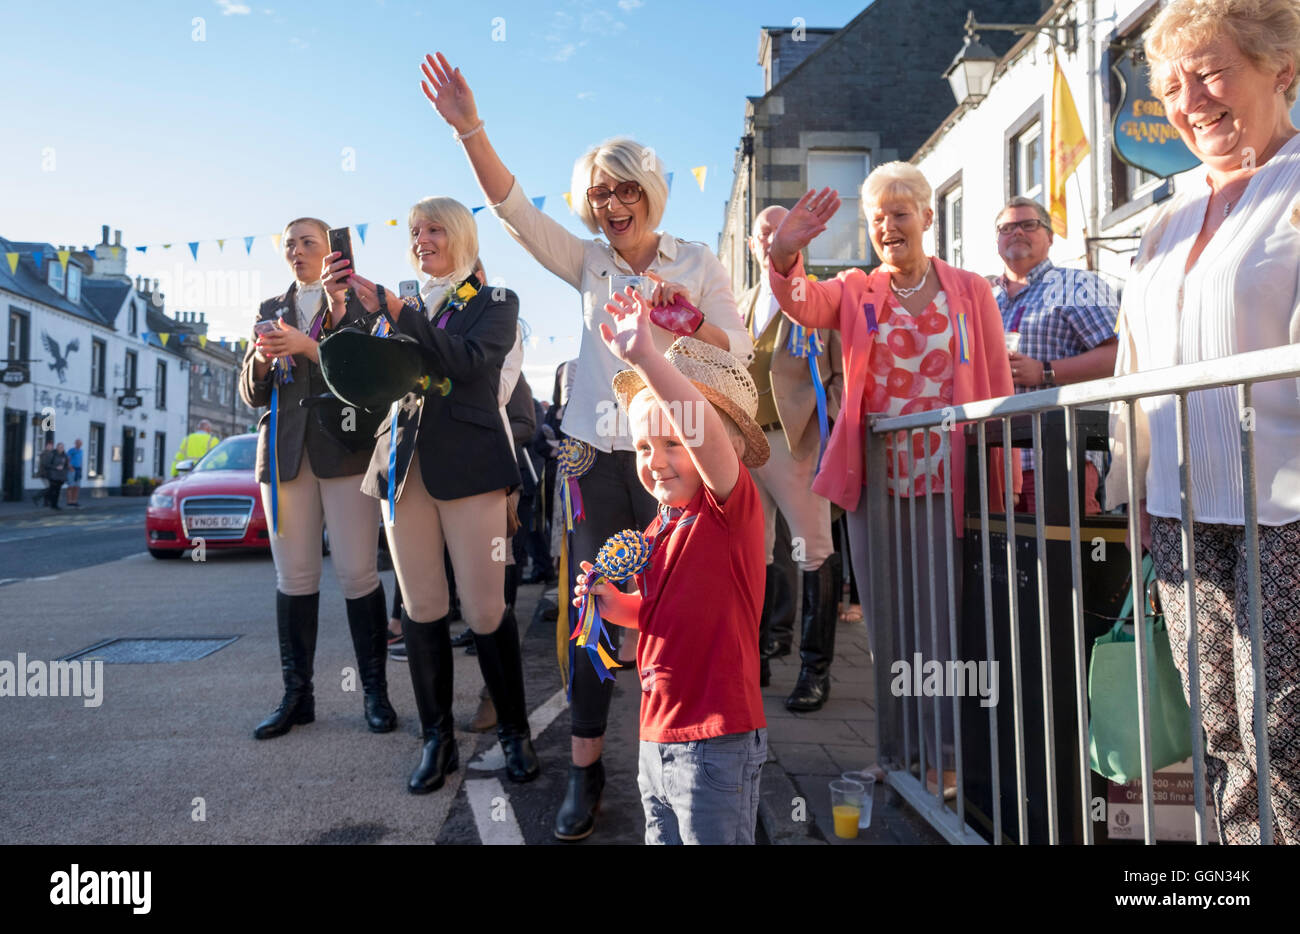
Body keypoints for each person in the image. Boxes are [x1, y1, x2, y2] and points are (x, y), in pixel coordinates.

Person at [420, 50, 754, 840]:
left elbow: (737, 355)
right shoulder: (589, 262)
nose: (611, 204)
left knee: (677, 615)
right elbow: (511, 211)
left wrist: (681, 318)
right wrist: (471, 128)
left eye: (625, 189)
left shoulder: (697, 262)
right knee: (596, 612)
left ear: (650, 194)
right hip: (591, 456)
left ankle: (688, 760)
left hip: (674, 459)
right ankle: (586, 769)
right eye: (599, 193)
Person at [1107, 0, 1300, 845]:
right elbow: (1134, 369)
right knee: (1219, 743)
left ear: (1281, 69)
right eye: (1174, 85)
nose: (1191, 101)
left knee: (1285, 748)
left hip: (1287, 516)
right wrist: (1135, 489)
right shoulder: (1168, 216)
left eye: (1213, 71)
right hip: (1184, 516)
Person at [767, 162, 1017, 798]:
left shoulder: (971, 291)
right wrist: (787, 248)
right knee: (887, 624)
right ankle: (896, 755)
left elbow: (997, 385)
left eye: (900, 213)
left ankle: (946, 759)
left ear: (929, 218)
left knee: (942, 622)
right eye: (876, 218)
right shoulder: (854, 289)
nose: (887, 226)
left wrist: (1005, 467)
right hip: (877, 481)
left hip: (947, 480)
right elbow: (799, 300)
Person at [331, 195, 540, 793]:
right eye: (415, 231)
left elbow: (469, 366)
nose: (421, 239)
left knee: (484, 610)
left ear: (461, 236)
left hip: (470, 466)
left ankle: (514, 735)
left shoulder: (496, 301)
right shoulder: (401, 303)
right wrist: (343, 305)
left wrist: (401, 314)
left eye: (434, 230)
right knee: (421, 608)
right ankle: (436, 740)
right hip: (403, 465)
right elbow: (357, 372)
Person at [577, 290, 769, 844]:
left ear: (723, 445)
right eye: (642, 446)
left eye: (673, 441)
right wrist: (617, 606)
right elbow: (665, 612)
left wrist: (646, 359)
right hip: (655, 735)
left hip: (716, 740)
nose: (654, 460)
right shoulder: (662, 523)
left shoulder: (726, 506)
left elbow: (704, 436)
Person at [238, 216, 396, 740]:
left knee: (356, 574)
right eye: (289, 244)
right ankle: (296, 696)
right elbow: (251, 394)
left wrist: (320, 331)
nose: (297, 251)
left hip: (345, 451)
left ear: (331, 250)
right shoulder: (270, 310)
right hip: (284, 455)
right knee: (295, 578)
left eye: (309, 242)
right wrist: (261, 364)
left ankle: (375, 693)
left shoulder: (356, 303)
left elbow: (367, 375)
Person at [739, 205, 845, 707]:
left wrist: (829, 437)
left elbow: (841, 371)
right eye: (763, 233)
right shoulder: (741, 301)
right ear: (752, 242)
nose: (770, 240)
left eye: (779, 231)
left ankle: (814, 671)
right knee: (751, 554)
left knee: (812, 552)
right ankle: (753, 658)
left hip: (796, 438)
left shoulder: (818, 296)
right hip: (744, 441)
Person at [990, 196, 1118, 514]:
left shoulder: (1076, 284)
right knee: (1003, 559)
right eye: (1007, 227)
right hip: (994, 458)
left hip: (1058, 452)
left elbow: (1120, 356)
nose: (1017, 232)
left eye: (1028, 224)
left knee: (1064, 557)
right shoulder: (984, 296)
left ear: (1049, 236)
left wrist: (1045, 371)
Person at [44, 442, 69, 510]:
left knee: (57, 491)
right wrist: (56, 467)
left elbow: (66, 466)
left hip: (61, 476)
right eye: (60, 447)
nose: (61, 448)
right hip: (53, 475)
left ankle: (55, 505)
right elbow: (46, 465)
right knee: (53, 490)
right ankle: (51, 504)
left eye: (62, 447)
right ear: (57, 447)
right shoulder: (52, 454)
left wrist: (65, 472)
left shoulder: (65, 456)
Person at [65, 439, 84, 507]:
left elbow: (81, 460)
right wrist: (70, 467)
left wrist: (81, 468)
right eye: (78, 443)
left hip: (78, 470)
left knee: (77, 487)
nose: (79, 445)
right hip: (72, 469)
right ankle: (69, 501)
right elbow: (67, 459)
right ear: (75, 443)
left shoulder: (81, 451)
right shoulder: (71, 451)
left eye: (80, 443)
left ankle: (74, 501)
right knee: (71, 486)